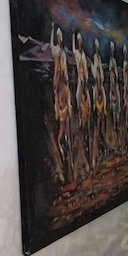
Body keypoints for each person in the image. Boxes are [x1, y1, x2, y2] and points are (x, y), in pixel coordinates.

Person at [49, 23, 72, 166]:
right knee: (62, 127)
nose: (60, 39)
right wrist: (52, 29)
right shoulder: (56, 50)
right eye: (58, 37)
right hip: (58, 78)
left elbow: (65, 70)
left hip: (64, 78)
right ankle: (61, 148)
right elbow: (51, 45)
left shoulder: (63, 52)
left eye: (60, 37)